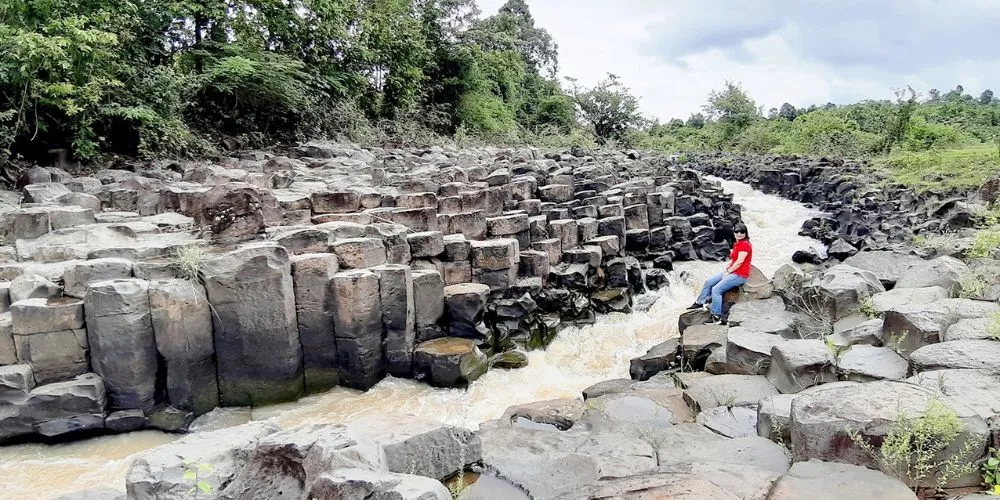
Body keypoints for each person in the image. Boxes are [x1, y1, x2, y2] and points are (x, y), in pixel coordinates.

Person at [687, 222, 753, 325]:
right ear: (734, 232)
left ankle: (716, 317)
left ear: (745, 233)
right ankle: (700, 302)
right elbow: (734, 260)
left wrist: (729, 272)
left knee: (716, 290)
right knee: (709, 282)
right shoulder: (738, 243)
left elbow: (740, 261)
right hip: (732, 271)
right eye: (737, 231)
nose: (739, 233)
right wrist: (728, 268)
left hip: (739, 275)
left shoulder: (745, 245)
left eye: (742, 232)